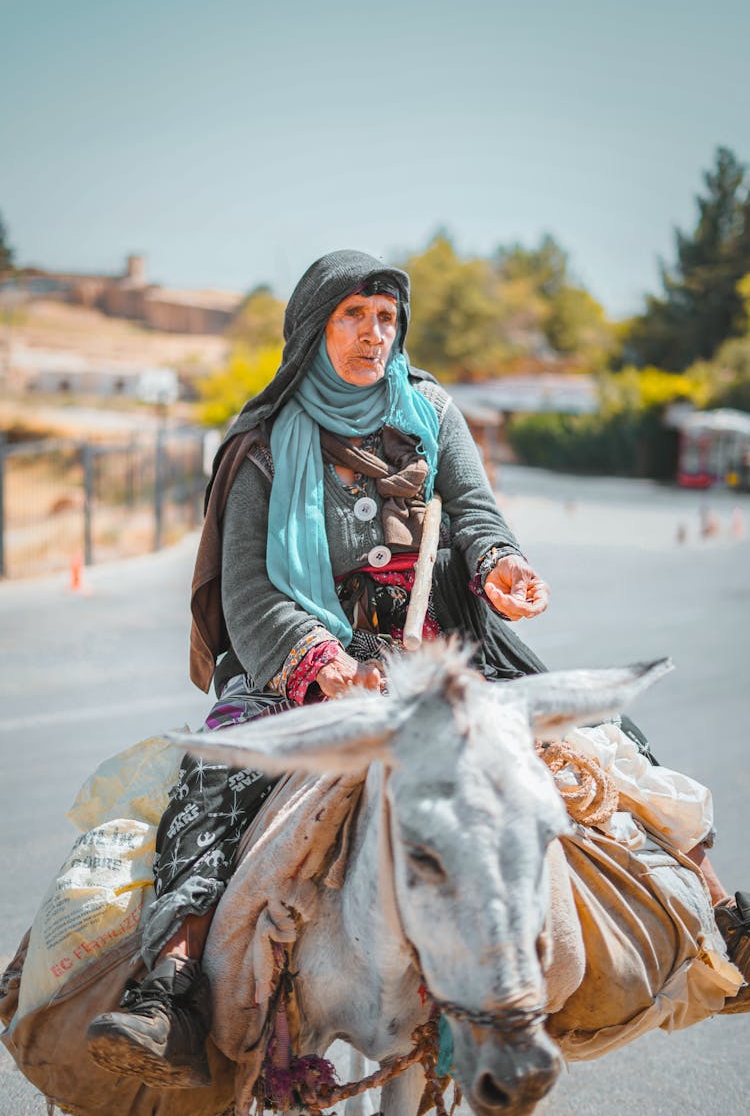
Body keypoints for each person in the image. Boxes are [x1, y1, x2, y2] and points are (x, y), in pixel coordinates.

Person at [86, 250, 750, 1089]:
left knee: (609, 742)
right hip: (306, 663)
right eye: (354, 316)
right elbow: (249, 588)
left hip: (441, 650)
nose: (374, 332)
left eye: (386, 317)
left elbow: (474, 514)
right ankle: (170, 989)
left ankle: (721, 923)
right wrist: (320, 663)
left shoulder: (431, 410)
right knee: (215, 779)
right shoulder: (260, 442)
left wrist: (501, 566)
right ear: (314, 330)